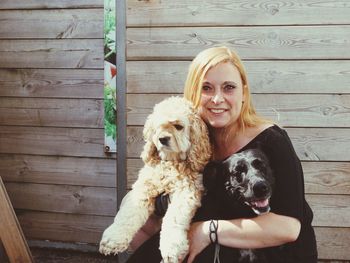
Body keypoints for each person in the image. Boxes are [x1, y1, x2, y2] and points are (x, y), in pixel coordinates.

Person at [126, 46, 318, 263]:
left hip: (274, 254)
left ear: (243, 93)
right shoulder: (192, 140)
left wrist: (208, 230)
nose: (217, 99)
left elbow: (288, 228)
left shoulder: (272, 141)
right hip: (217, 250)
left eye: (229, 87)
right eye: (206, 88)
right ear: (193, 94)